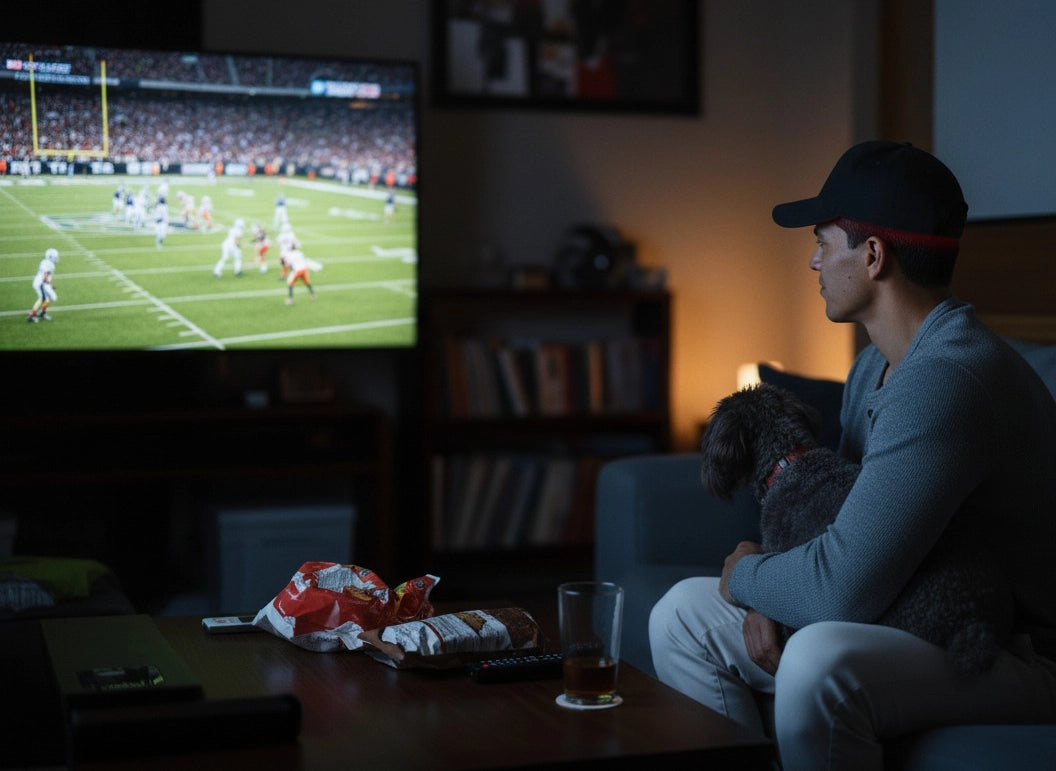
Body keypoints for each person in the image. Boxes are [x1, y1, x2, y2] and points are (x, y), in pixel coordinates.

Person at [648, 141, 1056, 770]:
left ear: (872, 256)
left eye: (822, 242)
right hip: (910, 608)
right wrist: (763, 588)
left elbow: (839, 591)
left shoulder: (948, 382)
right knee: (680, 616)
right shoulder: (875, 365)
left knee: (817, 662)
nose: (813, 262)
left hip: (1008, 650)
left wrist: (745, 574)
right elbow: (840, 530)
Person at [27, 248, 59, 322]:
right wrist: (50, 284)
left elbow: (46, 275)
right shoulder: (49, 264)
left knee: (50, 298)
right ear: (51, 257)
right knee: (42, 298)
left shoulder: (45, 261)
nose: (57, 258)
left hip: (41, 282)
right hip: (41, 283)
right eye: (55, 257)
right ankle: (31, 316)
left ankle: (42, 312)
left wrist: (50, 284)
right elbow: (45, 275)